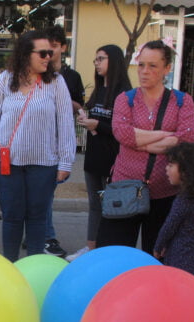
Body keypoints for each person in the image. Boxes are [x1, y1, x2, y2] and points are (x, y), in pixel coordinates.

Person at [0, 30, 75, 262]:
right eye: (42, 53)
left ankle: (34, 266)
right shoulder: (3, 81)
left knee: (38, 217)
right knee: (11, 217)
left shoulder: (56, 83)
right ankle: (10, 264)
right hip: (8, 163)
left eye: (50, 53)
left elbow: (65, 122)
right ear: (25, 54)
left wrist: (66, 160)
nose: (47, 57)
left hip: (44, 164)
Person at [96, 39, 194, 255]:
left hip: (165, 191)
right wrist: (164, 136)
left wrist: (139, 141)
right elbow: (122, 134)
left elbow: (185, 141)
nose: (144, 71)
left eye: (152, 66)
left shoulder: (181, 102)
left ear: (166, 69)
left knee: (158, 258)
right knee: (115, 256)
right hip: (125, 189)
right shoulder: (126, 99)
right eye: (141, 65)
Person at [69, 44, 132, 261]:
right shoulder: (98, 90)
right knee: (95, 204)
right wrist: (84, 119)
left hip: (113, 158)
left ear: (114, 61)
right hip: (93, 156)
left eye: (101, 59)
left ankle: (107, 251)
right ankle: (91, 247)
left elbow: (123, 130)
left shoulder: (124, 94)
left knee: (112, 206)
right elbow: (93, 115)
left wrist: (97, 125)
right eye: (95, 59)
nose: (96, 63)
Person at [42, 24, 85, 257]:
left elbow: (79, 107)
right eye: (46, 47)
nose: (49, 51)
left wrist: (62, 100)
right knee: (44, 193)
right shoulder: (38, 74)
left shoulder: (71, 77)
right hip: (43, 143)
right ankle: (45, 236)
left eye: (54, 46)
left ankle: (44, 235)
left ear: (63, 48)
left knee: (47, 192)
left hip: (61, 142)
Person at [152, 143, 194, 283]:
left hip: (181, 253)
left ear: (186, 171)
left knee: (181, 285)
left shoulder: (185, 199)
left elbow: (170, 225)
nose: (166, 169)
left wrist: (158, 247)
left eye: (170, 165)